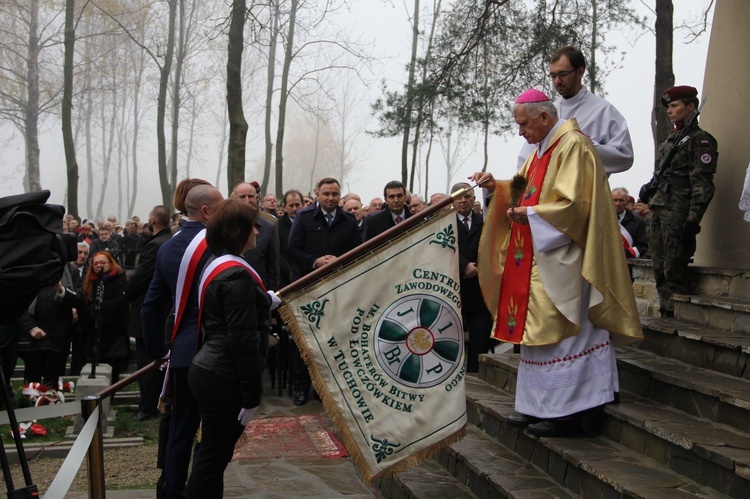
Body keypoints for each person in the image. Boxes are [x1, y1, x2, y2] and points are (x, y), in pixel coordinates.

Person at [471, 89, 641, 437]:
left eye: (523, 124)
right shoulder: (541, 150)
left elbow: (575, 205)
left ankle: (570, 412)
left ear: (544, 118)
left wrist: (530, 214)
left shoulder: (573, 145)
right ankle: (540, 405)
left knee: (565, 330)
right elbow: (526, 190)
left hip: (568, 258)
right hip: (540, 256)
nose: (520, 131)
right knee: (540, 333)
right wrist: (498, 189)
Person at [141, 182, 223, 498]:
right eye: (220, 207)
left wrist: (160, 352)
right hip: (215, 354)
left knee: (180, 431)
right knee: (212, 434)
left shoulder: (167, 248)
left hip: (182, 352)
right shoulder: (217, 245)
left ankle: (172, 491)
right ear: (205, 211)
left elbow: (152, 306)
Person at [186, 199, 268, 498]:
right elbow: (242, 338)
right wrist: (252, 394)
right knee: (212, 460)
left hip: (210, 368)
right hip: (224, 375)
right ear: (238, 231)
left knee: (213, 457)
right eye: (252, 226)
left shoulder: (218, 263)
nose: (257, 232)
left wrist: (264, 300)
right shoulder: (236, 274)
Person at [287, 177, 362, 405]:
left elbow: (358, 253)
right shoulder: (304, 217)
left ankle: (326, 389)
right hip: (307, 289)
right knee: (304, 342)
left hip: (337, 290)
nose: (330, 198)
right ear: (317, 194)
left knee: (332, 340)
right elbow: (292, 250)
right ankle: (301, 387)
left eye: (335, 194)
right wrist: (315, 262)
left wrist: (340, 262)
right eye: (326, 194)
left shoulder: (348, 221)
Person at [648, 85, 718, 318]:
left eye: (675, 105)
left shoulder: (701, 141)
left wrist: (693, 220)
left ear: (691, 107)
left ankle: (680, 317)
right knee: (659, 268)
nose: (670, 111)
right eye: (668, 106)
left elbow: (702, 184)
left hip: (678, 213)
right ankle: (666, 312)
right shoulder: (670, 141)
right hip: (659, 209)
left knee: (674, 268)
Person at [517, 46, 633, 176]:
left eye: (562, 75)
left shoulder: (603, 110)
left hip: (585, 192)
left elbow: (624, 155)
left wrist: (584, 147)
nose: (557, 81)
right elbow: (525, 161)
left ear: (580, 72)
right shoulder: (546, 112)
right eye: (553, 76)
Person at [126, 205, 172, 422]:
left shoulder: (155, 245)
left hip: (150, 308)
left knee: (147, 361)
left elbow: (140, 277)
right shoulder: (168, 240)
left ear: (153, 220)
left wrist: (126, 291)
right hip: (163, 310)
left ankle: (148, 406)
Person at [451, 182, 492, 373]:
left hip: (479, 287)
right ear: (452, 200)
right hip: (454, 288)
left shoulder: (483, 221)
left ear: (474, 199)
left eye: (467, 196)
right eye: (459, 197)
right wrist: (463, 265)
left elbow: (492, 247)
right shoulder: (445, 224)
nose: (463, 200)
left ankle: (476, 373)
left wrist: (477, 266)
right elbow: (443, 248)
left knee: (479, 335)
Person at [81, 251, 130, 383]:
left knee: (112, 364)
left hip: (114, 330)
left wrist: (99, 306)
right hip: (94, 330)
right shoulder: (90, 281)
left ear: (109, 263)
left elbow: (121, 301)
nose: (99, 265)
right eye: (96, 263)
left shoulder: (119, 279)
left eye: (103, 262)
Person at [612, 187, 648, 259]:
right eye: (615, 200)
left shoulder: (638, 221)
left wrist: (626, 253)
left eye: (621, 200)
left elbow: (642, 247)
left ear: (627, 201)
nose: (618, 203)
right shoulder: (601, 220)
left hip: (627, 265)